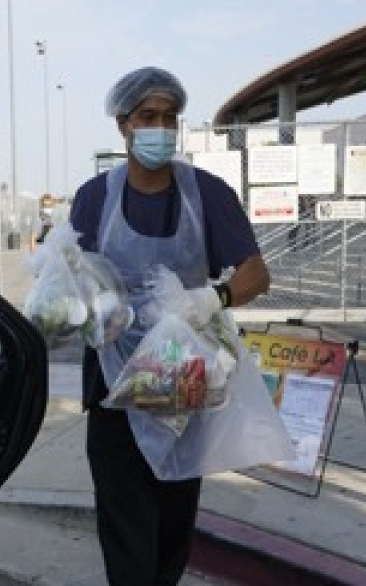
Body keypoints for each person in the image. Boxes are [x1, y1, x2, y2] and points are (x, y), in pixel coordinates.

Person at [69, 67, 271, 585]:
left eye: (169, 118)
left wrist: (212, 298)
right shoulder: (95, 198)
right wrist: (81, 306)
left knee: (172, 523)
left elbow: (255, 274)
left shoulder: (207, 194)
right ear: (123, 125)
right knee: (124, 527)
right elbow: (75, 278)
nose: (159, 128)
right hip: (114, 386)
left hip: (183, 380)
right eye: (147, 117)